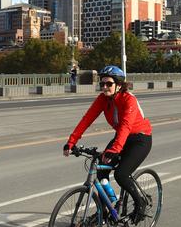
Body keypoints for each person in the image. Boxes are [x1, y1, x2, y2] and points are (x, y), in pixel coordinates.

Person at [63, 65, 152, 224]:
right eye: (102, 84)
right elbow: (87, 119)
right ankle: (105, 210)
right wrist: (71, 142)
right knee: (101, 170)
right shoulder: (103, 99)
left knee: (121, 174)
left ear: (118, 85)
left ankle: (141, 203)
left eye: (108, 84)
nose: (104, 87)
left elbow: (125, 125)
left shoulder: (128, 99)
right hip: (121, 137)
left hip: (140, 139)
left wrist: (115, 149)